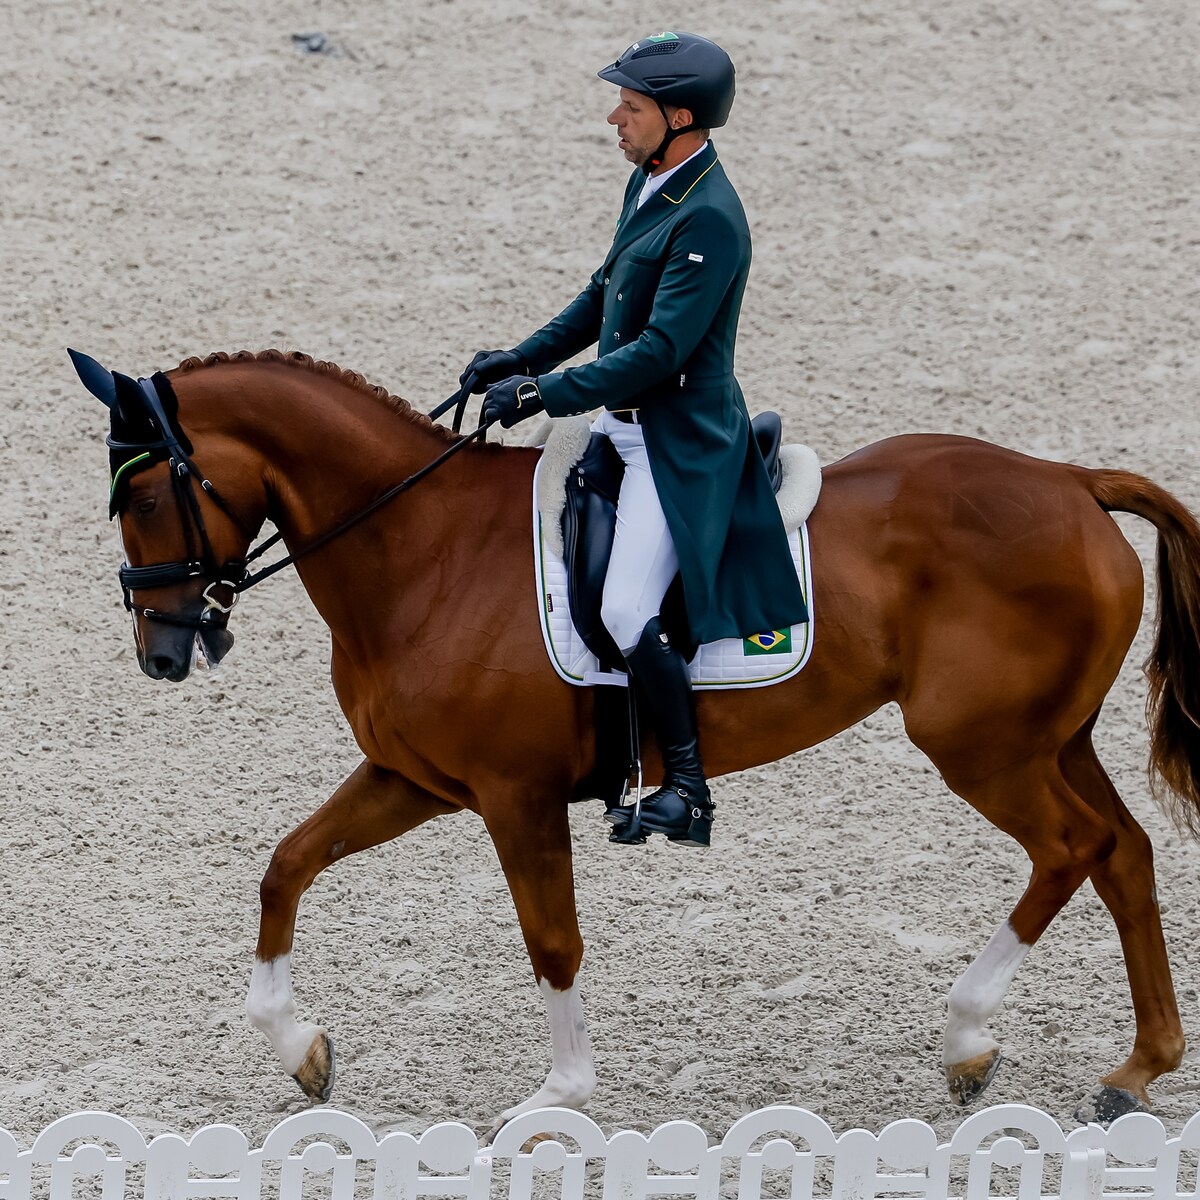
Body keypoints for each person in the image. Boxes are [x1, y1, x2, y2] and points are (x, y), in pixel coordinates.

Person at [460, 31, 807, 848]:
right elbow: (602, 295)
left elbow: (659, 352)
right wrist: (524, 356)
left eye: (631, 106)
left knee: (624, 606)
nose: (614, 118)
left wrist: (545, 393)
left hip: (675, 441)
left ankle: (686, 789)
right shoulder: (651, 181)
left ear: (680, 117)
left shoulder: (711, 217)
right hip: (620, 425)